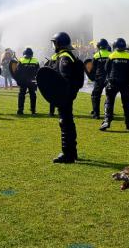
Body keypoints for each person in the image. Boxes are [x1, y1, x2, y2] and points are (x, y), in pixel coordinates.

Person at [48, 32, 83, 163]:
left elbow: (64, 78)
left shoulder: (64, 57)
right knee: (68, 121)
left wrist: (62, 95)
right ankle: (72, 152)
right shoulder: (65, 55)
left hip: (64, 95)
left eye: (54, 43)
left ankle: (67, 154)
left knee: (65, 122)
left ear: (59, 43)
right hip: (66, 95)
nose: (53, 45)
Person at [100, 38, 129, 131]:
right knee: (126, 103)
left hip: (113, 82)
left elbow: (106, 68)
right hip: (125, 83)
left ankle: (107, 121)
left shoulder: (112, 55)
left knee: (109, 102)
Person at [89, 39, 111, 119]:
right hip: (109, 78)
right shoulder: (111, 54)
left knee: (95, 96)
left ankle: (96, 114)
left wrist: (92, 77)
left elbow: (92, 68)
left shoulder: (96, 55)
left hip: (99, 78)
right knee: (109, 96)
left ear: (99, 46)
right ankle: (108, 114)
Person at [16, 48, 39, 115]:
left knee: (21, 95)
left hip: (23, 81)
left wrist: (18, 80)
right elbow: (38, 71)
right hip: (32, 80)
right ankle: (33, 110)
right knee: (33, 95)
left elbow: (17, 72)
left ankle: (20, 110)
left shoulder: (21, 60)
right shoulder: (35, 60)